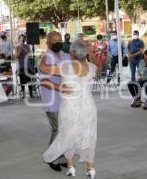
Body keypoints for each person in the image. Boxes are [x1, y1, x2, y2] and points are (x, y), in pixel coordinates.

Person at [41, 39, 102, 179]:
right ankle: (90, 169)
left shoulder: (65, 66)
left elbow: (43, 68)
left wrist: (48, 49)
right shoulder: (91, 67)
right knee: (89, 137)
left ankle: (70, 167)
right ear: (85, 53)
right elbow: (100, 65)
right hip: (88, 108)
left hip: (69, 109)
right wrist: (91, 53)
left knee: (67, 135)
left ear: (72, 53)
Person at [39, 31, 70, 172]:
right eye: (55, 41)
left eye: (60, 40)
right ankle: (52, 158)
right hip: (52, 100)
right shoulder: (46, 58)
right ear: (49, 43)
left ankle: (62, 158)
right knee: (58, 130)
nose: (58, 42)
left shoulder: (65, 55)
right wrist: (59, 88)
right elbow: (44, 81)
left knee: (64, 130)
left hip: (66, 101)